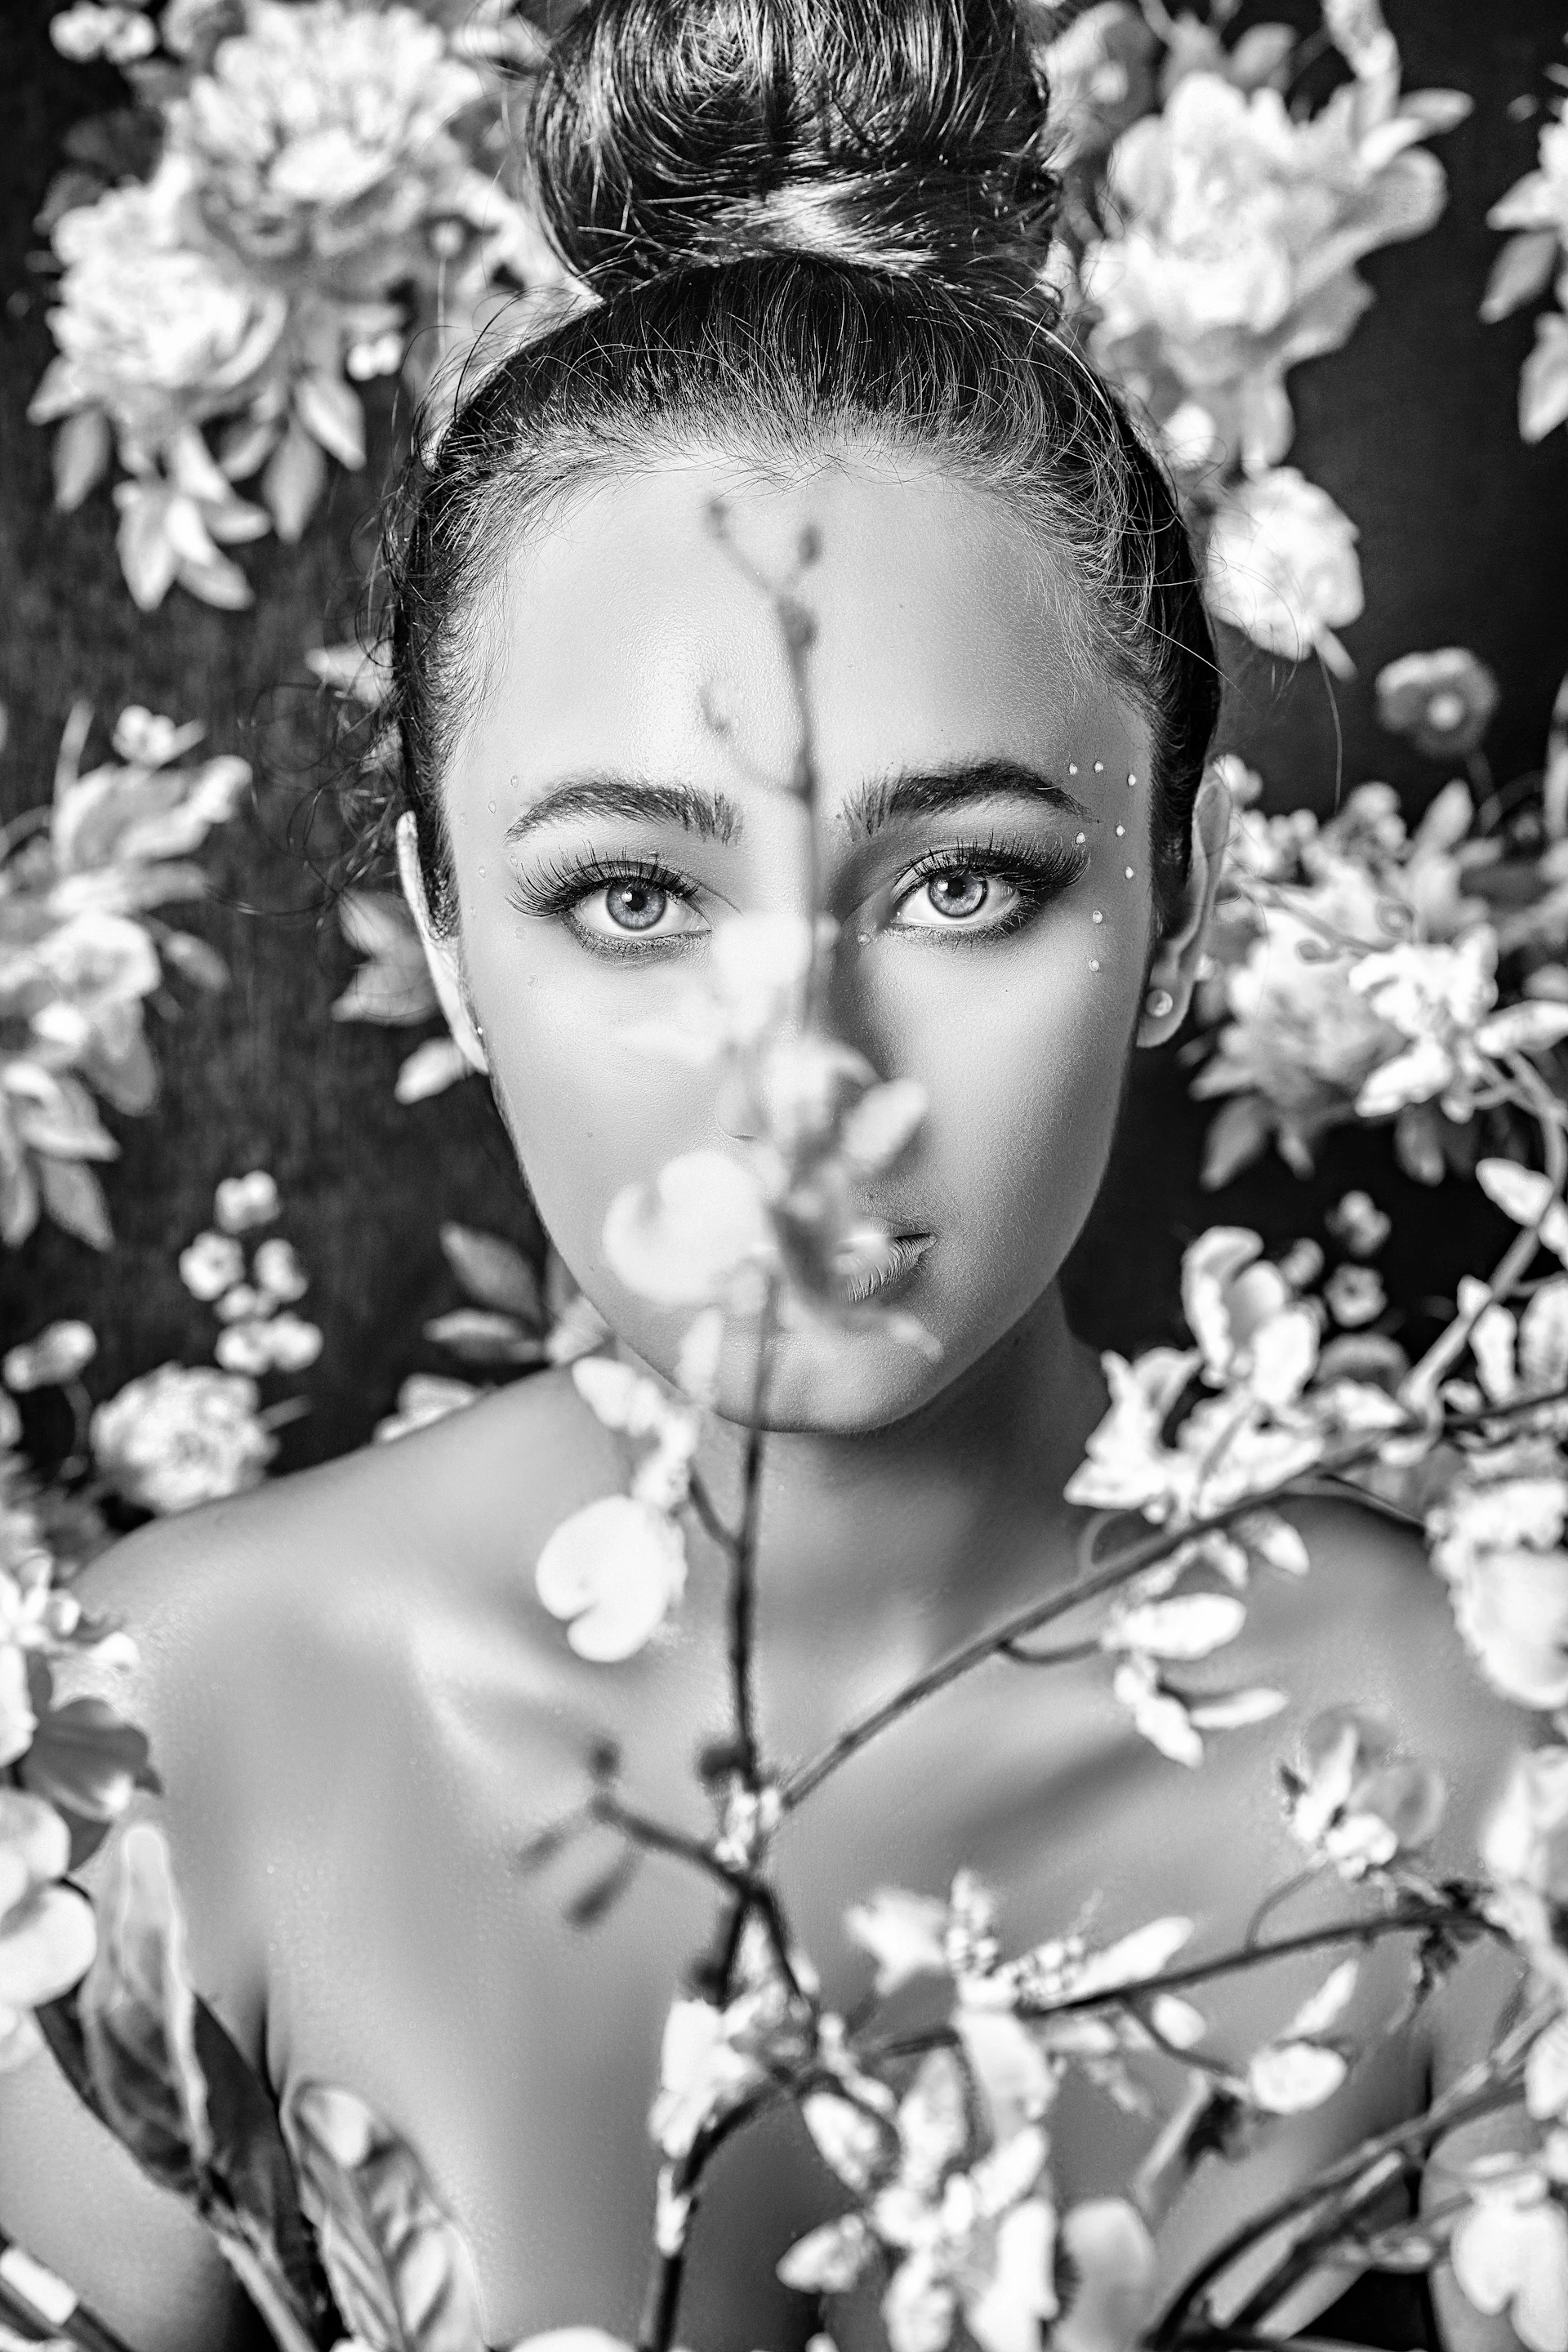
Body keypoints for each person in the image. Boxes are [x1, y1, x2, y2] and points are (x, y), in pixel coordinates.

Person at [0, 2, 1532, 2348]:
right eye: (631, 894)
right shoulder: (160, 1743)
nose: (804, 1078)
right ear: (444, 933)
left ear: (1184, 903)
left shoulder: (1482, 1766)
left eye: (965, 884)